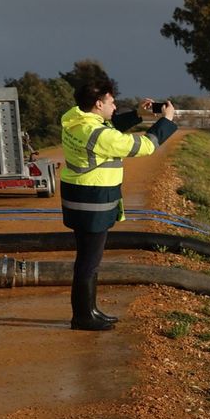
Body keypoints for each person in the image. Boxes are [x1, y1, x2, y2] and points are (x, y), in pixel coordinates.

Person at [59, 71, 178, 331]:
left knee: (89, 259)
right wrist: (166, 121)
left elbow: (109, 129)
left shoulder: (76, 120)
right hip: (92, 202)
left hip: (82, 198)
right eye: (112, 102)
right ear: (98, 104)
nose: (114, 106)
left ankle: (89, 310)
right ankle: (82, 317)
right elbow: (145, 146)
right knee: (89, 261)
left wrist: (137, 114)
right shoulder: (96, 134)